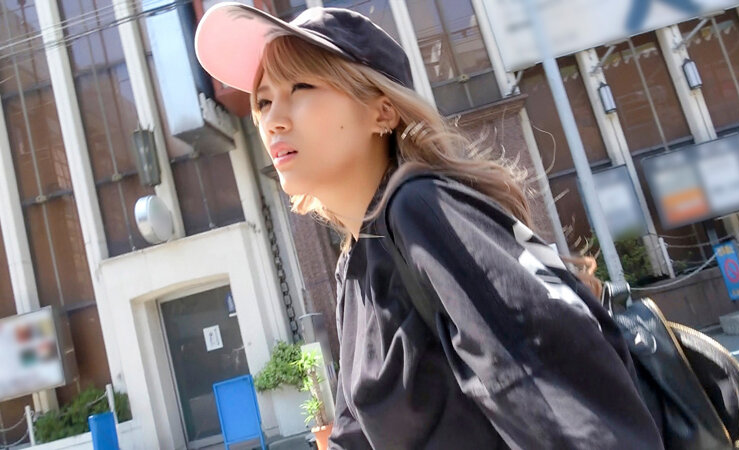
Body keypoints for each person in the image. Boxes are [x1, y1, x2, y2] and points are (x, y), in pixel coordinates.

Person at [195, 4, 664, 449]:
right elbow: (354, 434)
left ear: (382, 111)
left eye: (300, 88)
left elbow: (557, 399)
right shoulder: (356, 262)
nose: (273, 121)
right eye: (263, 102)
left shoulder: (420, 210)